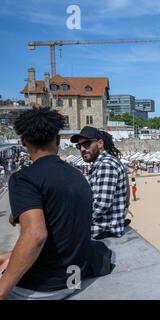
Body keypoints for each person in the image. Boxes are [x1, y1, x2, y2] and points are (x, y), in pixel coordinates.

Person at [0, 107, 92, 300]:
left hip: (45, 288)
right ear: (57, 140)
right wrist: (14, 255)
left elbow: (36, 235)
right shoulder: (78, 177)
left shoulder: (23, 179)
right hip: (74, 279)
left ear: (23, 141)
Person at [71, 127, 128, 240]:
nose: (82, 149)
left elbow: (102, 204)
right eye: (79, 146)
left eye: (86, 144)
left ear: (100, 143)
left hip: (103, 230)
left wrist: (78, 220)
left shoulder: (106, 165)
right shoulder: (104, 163)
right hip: (104, 227)